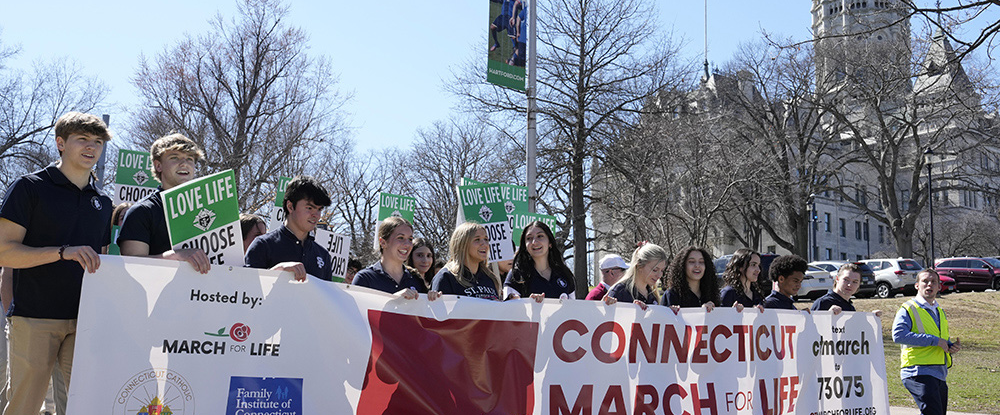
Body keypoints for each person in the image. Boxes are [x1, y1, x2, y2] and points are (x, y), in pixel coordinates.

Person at [0, 111, 113, 415]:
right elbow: (4, 251)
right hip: (34, 317)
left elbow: (99, 263)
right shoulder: (29, 187)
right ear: (61, 143)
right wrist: (63, 252)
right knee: (24, 407)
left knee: (85, 406)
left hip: (85, 321)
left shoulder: (103, 203)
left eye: (98, 142)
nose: (92, 147)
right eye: (82, 139)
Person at [117, 133, 211, 273]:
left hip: (202, 293)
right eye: (175, 158)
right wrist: (176, 257)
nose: (184, 163)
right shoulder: (142, 211)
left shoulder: (209, 207)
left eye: (190, 159)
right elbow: (131, 265)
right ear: (158, 165)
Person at [893, 269, 960, 415]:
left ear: (939, 286)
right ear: (917, 285)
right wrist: (935, 341)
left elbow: (940, 339)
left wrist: (950, 346)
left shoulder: (939, 311)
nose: (929, 284)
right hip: (917, 371)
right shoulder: (908, 308)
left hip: (939, 373)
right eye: (925, 281)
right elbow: (898, 335)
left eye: (933, 282)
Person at [245, 176, 333, 281]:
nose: (316, 215)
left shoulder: (323, 255)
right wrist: (276, 272)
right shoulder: (263, 245)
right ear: (290, 206)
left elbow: (327, 296)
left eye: (319, 209)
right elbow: (246, 290)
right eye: (309, 208)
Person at [353, 217, 435, 300]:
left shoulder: (416, 280)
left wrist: (433, 300)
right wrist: (394, 299)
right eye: (400, 238)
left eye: (410, 239)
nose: (407, 244)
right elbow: (355, 311)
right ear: (383, 242)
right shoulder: (365, 278)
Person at [504, 221, 575, 301]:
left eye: (540, 236)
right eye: (529, 238)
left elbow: (574, 309)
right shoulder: (516, 275)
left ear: (550, 243)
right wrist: (527, 303)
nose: (534, 242)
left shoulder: (565, 275)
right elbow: (508, 308)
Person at [431, 222, 502, 301]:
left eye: (486, 239)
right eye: (477, 240)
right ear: (462, 245)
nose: (484, 244)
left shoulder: (490, 278)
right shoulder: (446, 277)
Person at [604, 243, 668, 308]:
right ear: (639, 265)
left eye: (662, 270)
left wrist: (670, 313)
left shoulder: (652, 295)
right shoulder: (620, 291)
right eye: (655, 270)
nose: (659, 275)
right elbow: (606, 316)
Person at [661, 246, 719, 312]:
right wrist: (700, 312)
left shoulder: (711, 294)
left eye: (701, 262)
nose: (697, 265)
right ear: (682, 265)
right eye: (691, 262)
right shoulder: (672, 295)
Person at [812, 263, 882, 316]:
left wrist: (872, 318)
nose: (849, 285)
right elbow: (810, 331)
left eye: (855, 282)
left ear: (859, 285)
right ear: (837, 279)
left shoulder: (850, 307)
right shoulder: (822, 303)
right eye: (846, 280)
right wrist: (828, 316)